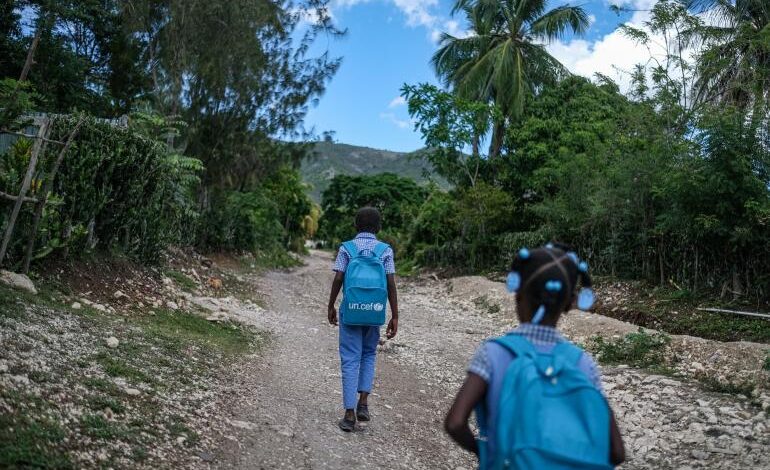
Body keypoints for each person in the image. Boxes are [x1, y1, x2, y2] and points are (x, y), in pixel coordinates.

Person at [444, 244, 625, 468]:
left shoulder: (494, 353)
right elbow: (616, 452)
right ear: (569, 304)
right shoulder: (582, 362)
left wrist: (487, 452)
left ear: (518, 294)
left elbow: (455, 423)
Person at [327, 207, 399, 432]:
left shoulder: (347, 248)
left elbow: (339, 277)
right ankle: (364, 404)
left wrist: (331, 305)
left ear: (355, 225)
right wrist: (395, 315)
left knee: (350, 358)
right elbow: (390, 283)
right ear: (378, 228)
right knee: (368, 354)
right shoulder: (385, 250)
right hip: (374, 311)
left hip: (351, 310)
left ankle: (349, 415)